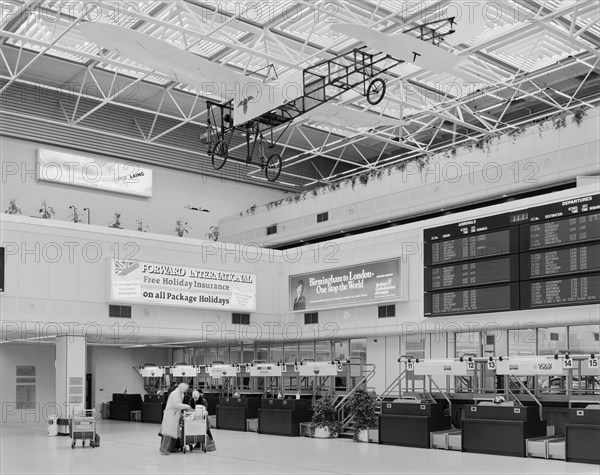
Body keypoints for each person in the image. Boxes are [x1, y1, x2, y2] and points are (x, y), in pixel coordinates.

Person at [159, 383, 191, 455]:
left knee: (174, 433)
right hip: (170, 415)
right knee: (168, 432)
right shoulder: (175, 394)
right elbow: (175, 404)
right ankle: (163, 449)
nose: (185, 391)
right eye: (185, 389)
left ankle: (172, 448)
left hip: (175, 415)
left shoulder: (180, 394)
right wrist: (187, 406)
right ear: (181, 388)